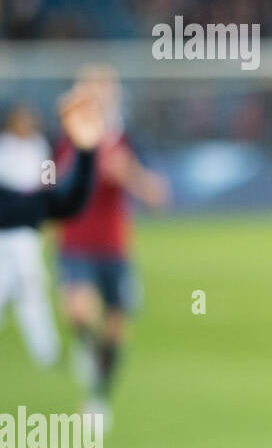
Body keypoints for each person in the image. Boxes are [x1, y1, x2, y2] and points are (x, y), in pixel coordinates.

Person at [55, 66, 169, 424]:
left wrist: (129, 174)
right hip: (75, 243)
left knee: (116, 328)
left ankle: (98, 399)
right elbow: (49, 183)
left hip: (114, 247)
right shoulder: (67, 137)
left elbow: (158, 196)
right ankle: (87, 350)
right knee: (79, 312)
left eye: (105, 90)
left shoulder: (127, 140)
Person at [0, 103, 61, 365]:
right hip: (4, 228)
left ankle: (46, 351)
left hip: (27, 230)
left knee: (33, 289)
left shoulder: (39, 147)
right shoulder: (4, 147)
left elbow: (47, 183)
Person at [0, 91, 102, 232]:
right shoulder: (4, 144)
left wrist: (85, 152)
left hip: (25, 234)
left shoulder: (38, 145)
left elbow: (56, 197)